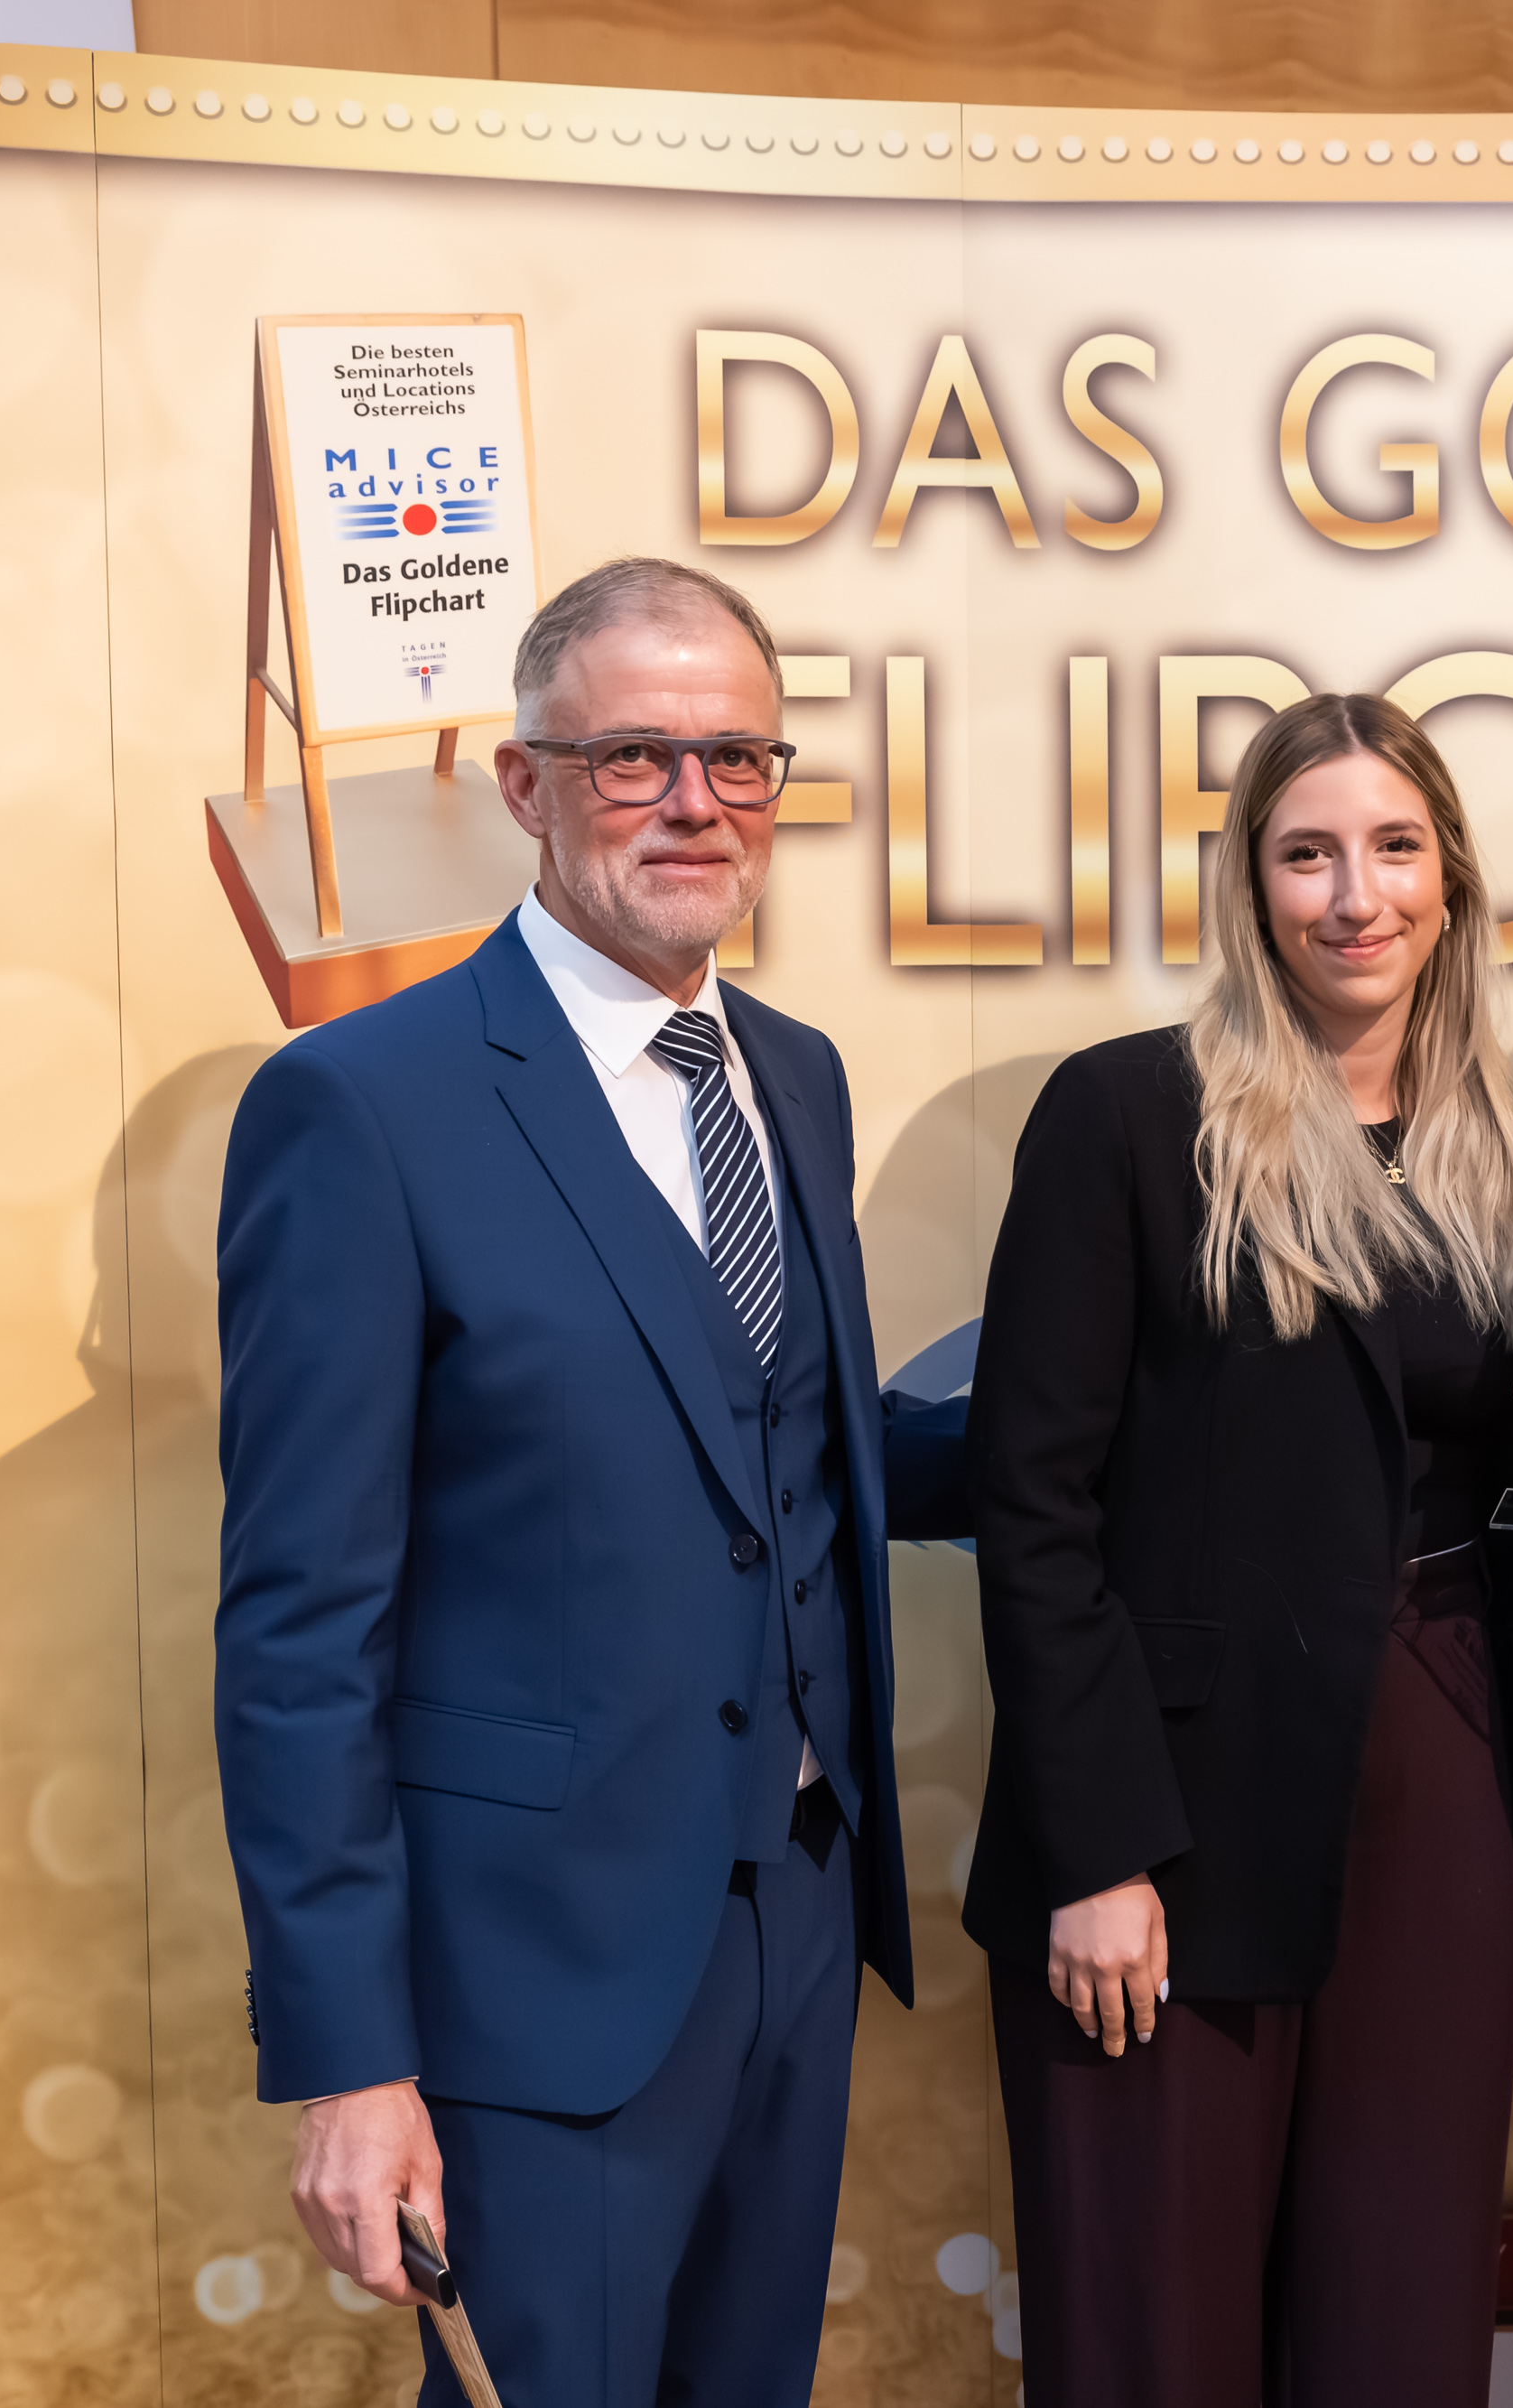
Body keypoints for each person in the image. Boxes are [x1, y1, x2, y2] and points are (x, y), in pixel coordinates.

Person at [213, 556, 966, 2408]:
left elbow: (777, 1448)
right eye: (634, 756)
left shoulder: (792, 1075)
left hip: (792, 1923)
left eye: (736, 757)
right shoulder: (362, 1103)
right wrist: (350, 2058)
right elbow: (301, 1626)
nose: (694, 801)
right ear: (524, 786)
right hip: (530, 1975)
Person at [966, 693, 1513, 2408]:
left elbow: (1507, 1483)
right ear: (1249, 886)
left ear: (1449, 879)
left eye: (1394, 848)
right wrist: (1097, 1851)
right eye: (1308, 855)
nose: (1355, 896)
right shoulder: (1127, 1117)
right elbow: (1032, 1498)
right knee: (1152, 2337)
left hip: (1437, 1768)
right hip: (1171, 1808)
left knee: (1400, 2325)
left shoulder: (1511, 1153)